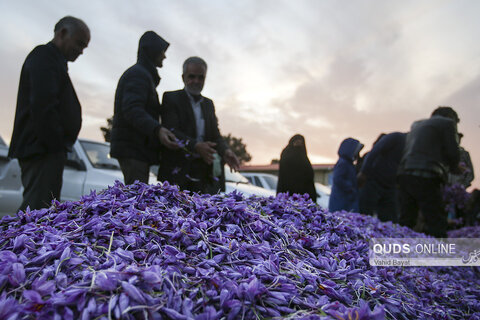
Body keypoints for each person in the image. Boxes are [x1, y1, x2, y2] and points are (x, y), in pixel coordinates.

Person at [8, 16, 90, 211]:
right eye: (79, 43)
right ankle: (21, 242)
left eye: (84, 47)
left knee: (44, 209)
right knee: (37, 211)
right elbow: (43, 106)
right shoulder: (44, 57)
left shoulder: (54, 60)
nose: (80, 51)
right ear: (62, 33)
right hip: (42, 149)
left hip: (46, 149)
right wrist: (55, 144)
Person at [158, 56, 240, 193]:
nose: (196, 81)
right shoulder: (171, 98)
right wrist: (196, 146)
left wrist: (226, 150)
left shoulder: (208, 104)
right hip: (177, 173)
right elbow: (171, 131)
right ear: (183, 77)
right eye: (192, 76)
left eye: (201, 77)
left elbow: (215, 135)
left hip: (202, 175)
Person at [110, 31, 178, 185]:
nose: (164, 56)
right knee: (136, 200)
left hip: (137, 149)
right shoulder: (138, 75)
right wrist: (157, 129)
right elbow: (132, 109)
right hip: (133, 149)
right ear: (152, 51)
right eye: (162, 51)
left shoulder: (143, 75)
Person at [397, 106, 460, 237]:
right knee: (436, 219)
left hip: (405, 173)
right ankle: (439, 254)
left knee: (407, 218)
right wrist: (455, 167)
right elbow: (453, 153)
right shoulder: (447, 123)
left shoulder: (417, 124)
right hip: (427, 174)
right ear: (450, 117)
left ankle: (398, 250)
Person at [357, 132, 407, 222]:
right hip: (374, 180)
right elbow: (374, 152)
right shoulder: (397, 138)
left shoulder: (410, 147)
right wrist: (363, 173)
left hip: (390, 185)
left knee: (389, 218)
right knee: (365, 215)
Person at [276, 134, 317, 202]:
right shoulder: (287, 153)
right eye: (297, 142)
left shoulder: (303, 156)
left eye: (301, 143)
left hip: (304, 194)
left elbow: (309, 176)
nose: (299, 145)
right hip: (288, 192)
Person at [329, 138, 364, 212]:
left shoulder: (348, 163)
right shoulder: (343, 163)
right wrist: (350, 188)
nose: (357, 153)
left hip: (346, 199)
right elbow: (338, 179)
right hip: (342, 201)